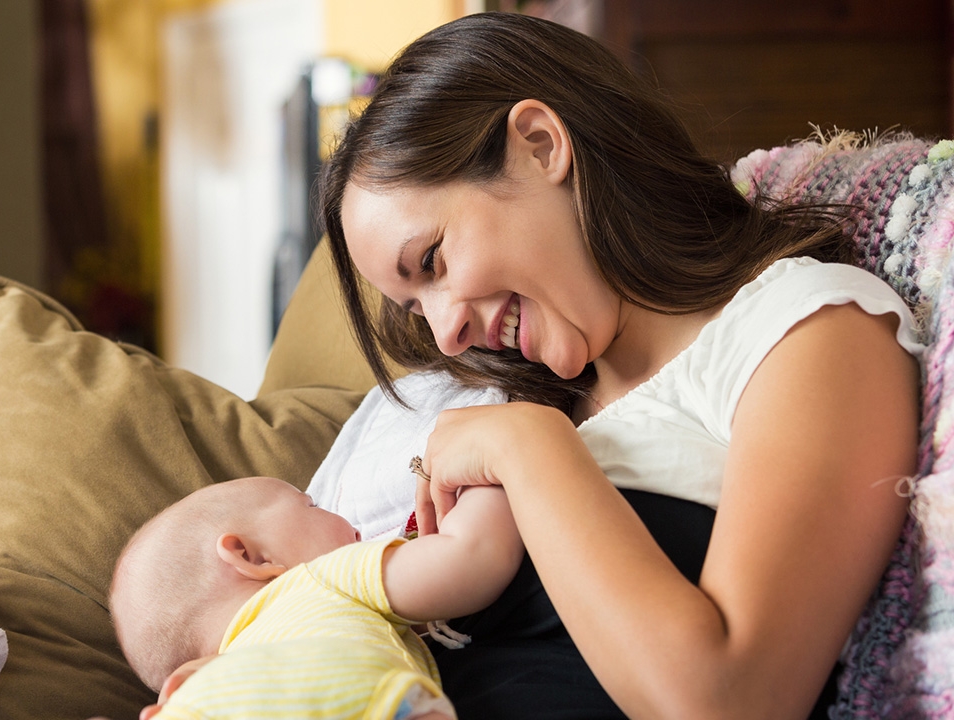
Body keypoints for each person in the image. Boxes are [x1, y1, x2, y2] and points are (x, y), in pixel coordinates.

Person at [317, 11, 923, 720]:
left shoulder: (806, 331)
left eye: (432, 262)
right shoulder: (526, 399)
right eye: (417, 307)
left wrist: (528, 449)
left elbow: (732, 701)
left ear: (541, 146)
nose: (449, 335)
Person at [108, 474, 524, 720]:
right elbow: (472, 558)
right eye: (312, 505)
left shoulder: (211, 687)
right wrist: (483, 478)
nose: (357, 530)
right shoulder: (321, 578)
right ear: (251, 556)